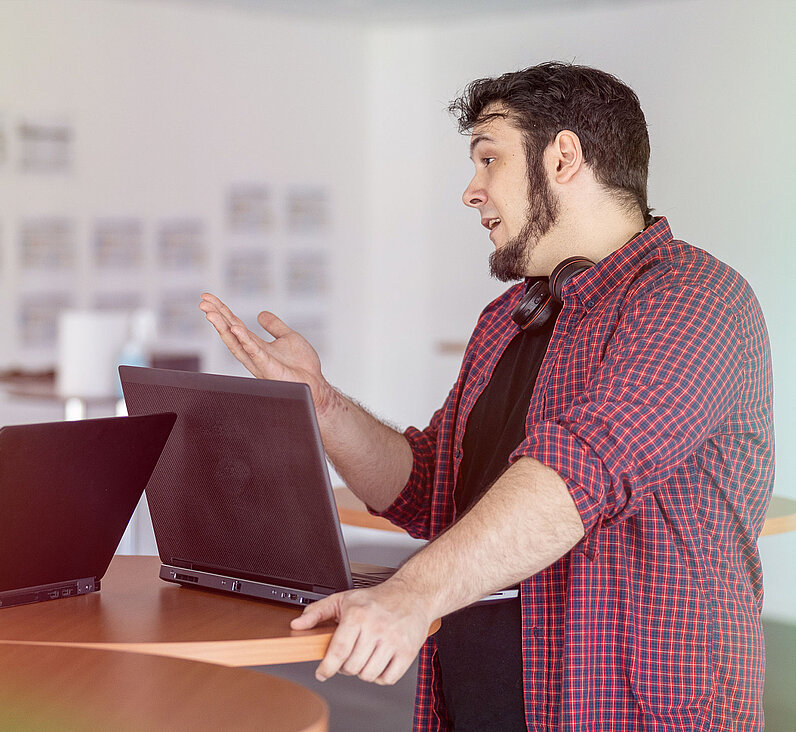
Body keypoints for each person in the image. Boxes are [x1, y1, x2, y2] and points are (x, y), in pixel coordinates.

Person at [201, 63, 772, 730]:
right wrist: (321, 404)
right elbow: (428, 487)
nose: (472, 191)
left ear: (563, 157)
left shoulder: (696, 301)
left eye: (488, 158)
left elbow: (580, 472)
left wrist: (410, 594)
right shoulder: (508, 318)